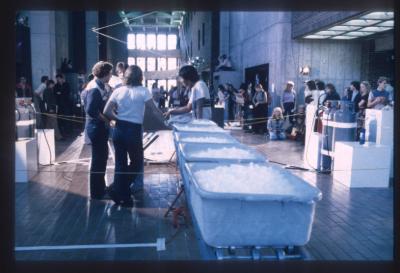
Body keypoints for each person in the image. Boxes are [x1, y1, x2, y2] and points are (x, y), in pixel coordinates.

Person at [103, 65, 162, 207]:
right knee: (136, 163)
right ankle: (118, 190)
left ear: (126, 76)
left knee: (120, 164)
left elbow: (106, 111)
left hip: (119, 129)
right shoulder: (143, 91)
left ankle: (120, 192)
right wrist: (166, 122)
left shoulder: (118, 91)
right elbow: (154, 111)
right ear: (140, 77)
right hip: (134, 130)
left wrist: (118, 119)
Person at [84, 61, 113, 200]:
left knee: (102, 158)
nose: (111, 75)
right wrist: (106, 120)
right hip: (96, 128)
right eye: (110, 73)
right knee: (98, 160)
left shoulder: (101, 86)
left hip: (99, 128)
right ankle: (97, 193)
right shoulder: (94, 87)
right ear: (105, 73)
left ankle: (100, 188)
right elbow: (91, 110)